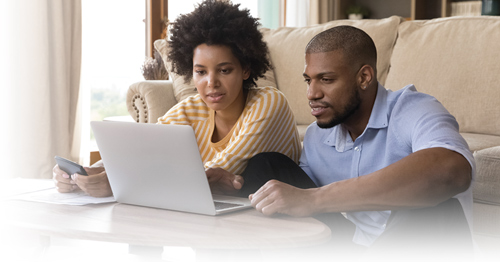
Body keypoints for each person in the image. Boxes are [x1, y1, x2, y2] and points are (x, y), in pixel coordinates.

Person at [244, 25, 475, 255]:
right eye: (309, 80)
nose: (312, 93)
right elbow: (296, 194)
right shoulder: (318, 134)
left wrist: (313, 199)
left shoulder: (414, 110)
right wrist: (234, 183)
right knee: (266, 166)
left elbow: (452, 171)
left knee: (434, 204)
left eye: (326, 79)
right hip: (354, 248)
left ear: (364, 77)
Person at [52, 0, 300, 198]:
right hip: (222, 214)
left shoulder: (269, 103)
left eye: (224, 70)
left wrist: (118, 181)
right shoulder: (192, 109)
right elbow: (139, 148)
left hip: (279, 215)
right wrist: (84, 175)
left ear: (246, 69)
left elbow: (221, 168)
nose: (211, 83)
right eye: (200, 72)